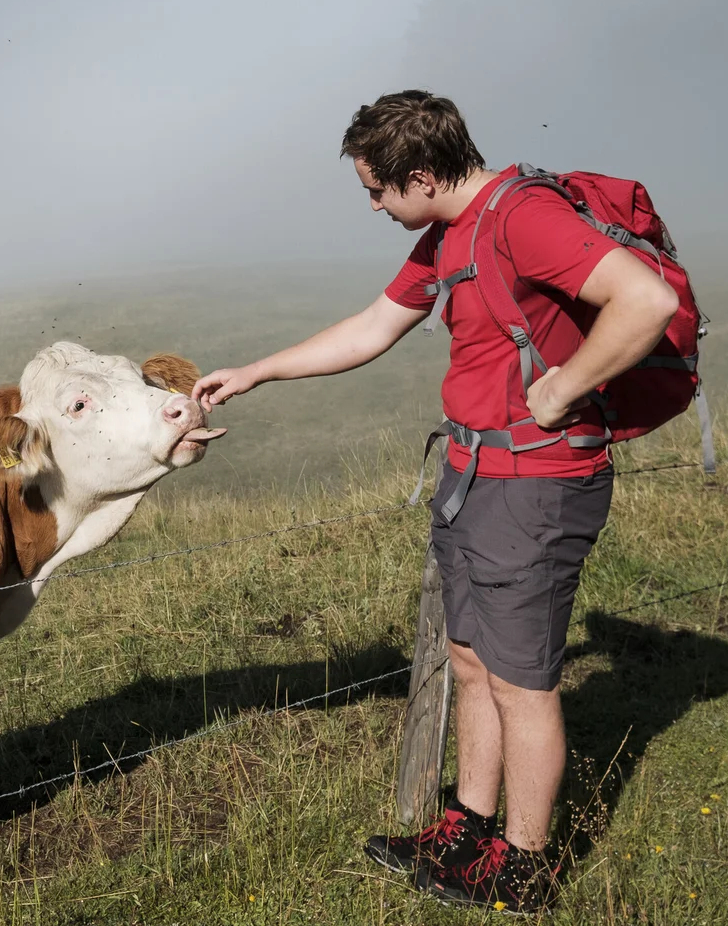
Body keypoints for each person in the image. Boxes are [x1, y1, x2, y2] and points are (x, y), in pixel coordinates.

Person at [191, 90, 678, 914]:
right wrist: (256, 371)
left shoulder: (523, 215)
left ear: (419, 175)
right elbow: (374, 326)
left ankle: (522, 868)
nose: (376, 207)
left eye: (378, 191)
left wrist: (563, 388)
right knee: (471, 661)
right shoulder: (448, 233)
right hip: (473, 478)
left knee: (523, 682)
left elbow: (647, 300)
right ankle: (467, 830)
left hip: (538, 486)